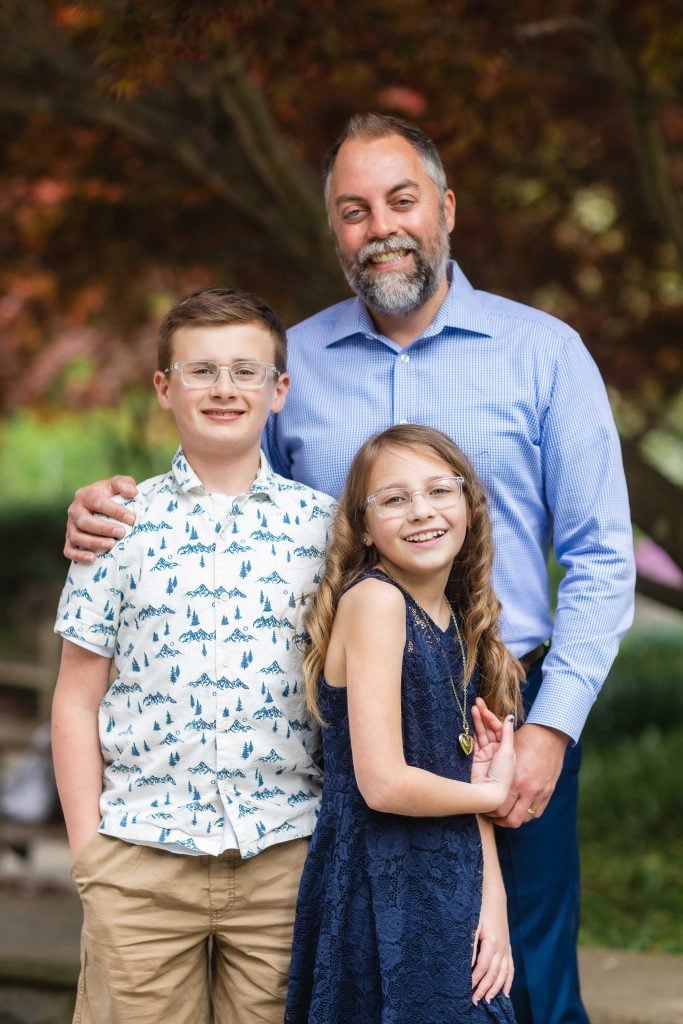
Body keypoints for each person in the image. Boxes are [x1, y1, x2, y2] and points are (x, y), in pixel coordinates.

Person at [63, 114, 636, 1024]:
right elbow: (227, 503)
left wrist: (550, 730)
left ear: (445, 208)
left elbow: (603, 559)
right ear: (334, 229)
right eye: (354, 211)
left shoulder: (543, 352)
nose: (381, 228)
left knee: (521, 974)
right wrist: (109, 508)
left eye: (401, 201)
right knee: (364, 975)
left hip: (508, 705)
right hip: (349, 726)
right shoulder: (293, 366)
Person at [52, 287, 336, 1024]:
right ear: (163, 388)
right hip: (140, 857)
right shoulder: (115, 523)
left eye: (246, 372)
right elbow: (76, 698)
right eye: (201, 371)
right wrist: (93, 859)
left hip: (283, 853)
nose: (223, 389)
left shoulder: (325, 531)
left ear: (279, 390)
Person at [284, 424, 523, 1024]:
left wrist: (491, 905)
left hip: (452, 879)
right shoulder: (377, 602)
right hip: (382, 881)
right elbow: (383, 783)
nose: (421, 512)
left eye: (440, 490)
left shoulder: (459, 615)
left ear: (468, 504)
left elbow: (463, 784)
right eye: (393, 499)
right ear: (364, 527)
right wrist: (492, 790)